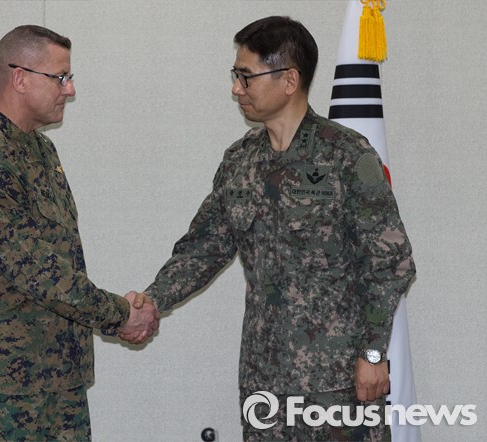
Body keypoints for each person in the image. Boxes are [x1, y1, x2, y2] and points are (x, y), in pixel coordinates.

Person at [139, 16, 415, 441]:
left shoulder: (346, 155)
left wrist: (374, 352)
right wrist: (152, 302)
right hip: (264, 381)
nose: (236, 89)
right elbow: (203, 249)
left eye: (246, 76)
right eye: (235, 76)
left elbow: (390, 262)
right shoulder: (240, 161)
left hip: (338, 384)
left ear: (289, 80)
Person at [0, 25, 159, 441]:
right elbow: (37, 271)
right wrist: (119, 314)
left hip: (56, 377)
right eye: (60, 77)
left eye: (69, 77)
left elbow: (57, 261)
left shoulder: (39, 149)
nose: (70, 89)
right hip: (3, 387)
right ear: (20, 78)